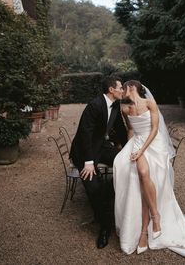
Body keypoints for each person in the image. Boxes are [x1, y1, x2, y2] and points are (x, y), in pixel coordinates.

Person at [113, 80, 185, 257]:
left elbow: (155, 129)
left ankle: (149, 227)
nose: (121, 92)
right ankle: (150, 223)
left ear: (131, 88)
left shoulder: (150, 103)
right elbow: (131, 130)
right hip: (138, 142)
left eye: (123, 88)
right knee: (136, 171)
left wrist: (142, 149)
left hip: (153, 144)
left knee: (143, 175)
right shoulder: (124, 108)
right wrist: (131, 148)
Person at [70, 76, 127, 249]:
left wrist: (127, 148)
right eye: (120, 88)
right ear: (111, 90)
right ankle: (105, 226)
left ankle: (110, 194)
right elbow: (85, 134)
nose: (122, 90)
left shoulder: (116, 104)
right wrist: (88, 162)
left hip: (101, 147)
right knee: (93, 188)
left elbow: (121, 129)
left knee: (126, 161)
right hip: (84, 153)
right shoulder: (94, 105)